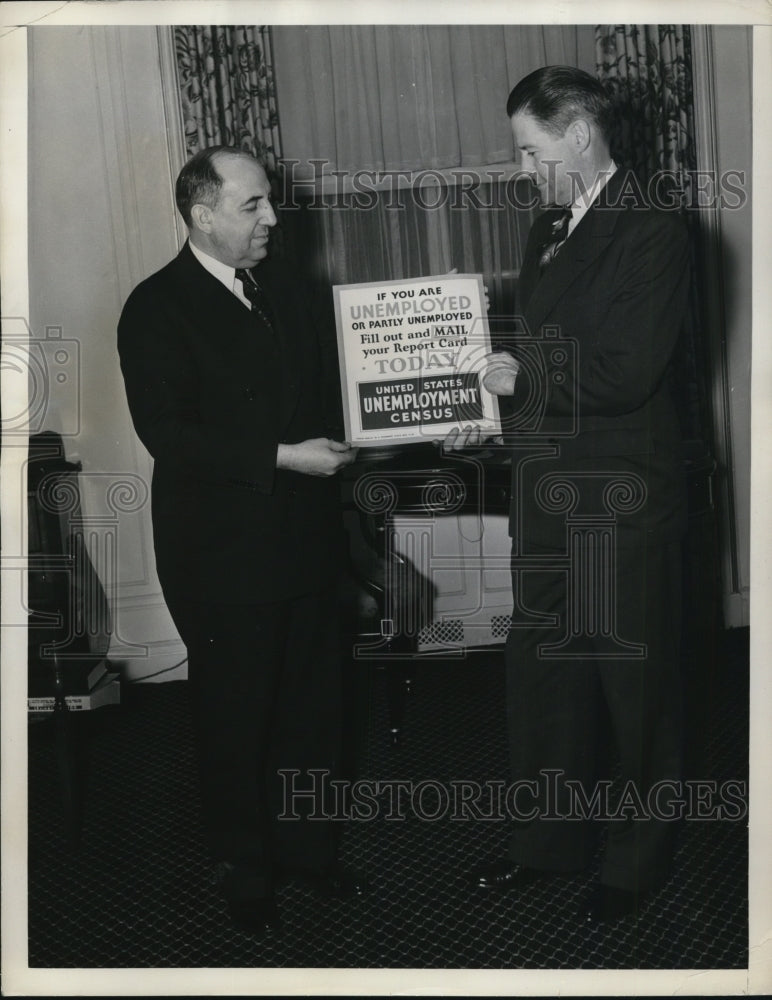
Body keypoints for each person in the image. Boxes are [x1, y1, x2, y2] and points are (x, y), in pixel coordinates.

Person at [447, 66, 690, 923]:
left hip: (622, 498)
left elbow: (627, 370)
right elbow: (544, 364)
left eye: (530, 148)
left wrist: (522, 374)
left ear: (580, 136)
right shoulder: (547, 223)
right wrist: (496, 419)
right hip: (549, 488)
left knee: (632, 681)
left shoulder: (656, 227)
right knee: (543, 672)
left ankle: (637, 857)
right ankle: (544, 846)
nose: (523, 166)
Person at [117, 146, 363, 934]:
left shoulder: (293, 288)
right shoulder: (155, 307)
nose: (272, 218)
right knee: (235, 715)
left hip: (306, 540)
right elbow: (169, 436)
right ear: (203, 215)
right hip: (220, 553)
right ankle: (245, 868)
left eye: (270, 202)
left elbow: (334, 403)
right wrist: (285, 458)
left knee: (313, 708)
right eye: (253, 205)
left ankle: (309, 856)